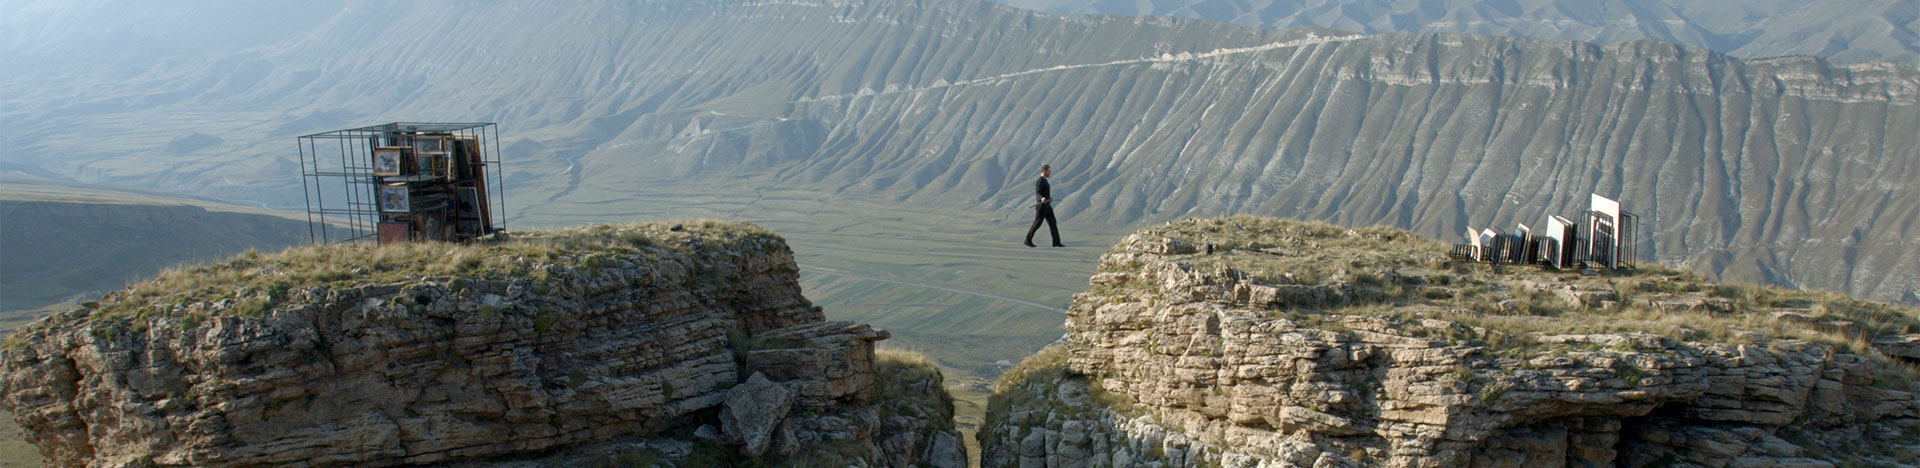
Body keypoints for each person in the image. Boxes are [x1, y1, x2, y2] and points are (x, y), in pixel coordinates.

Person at [1024, 164, 1064, 248]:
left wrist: (1049, 198)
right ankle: (1028, 241)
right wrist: (1041, 198)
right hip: (1041, 206)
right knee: (1037, 223)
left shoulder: (1045, 181)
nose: (1050, 172)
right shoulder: (1040, 181)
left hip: (1047, 206)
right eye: (1049, 171)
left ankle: (1056, 242)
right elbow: (1038, 192)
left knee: (1053, 222)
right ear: (1044, 171)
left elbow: (1045, 193)